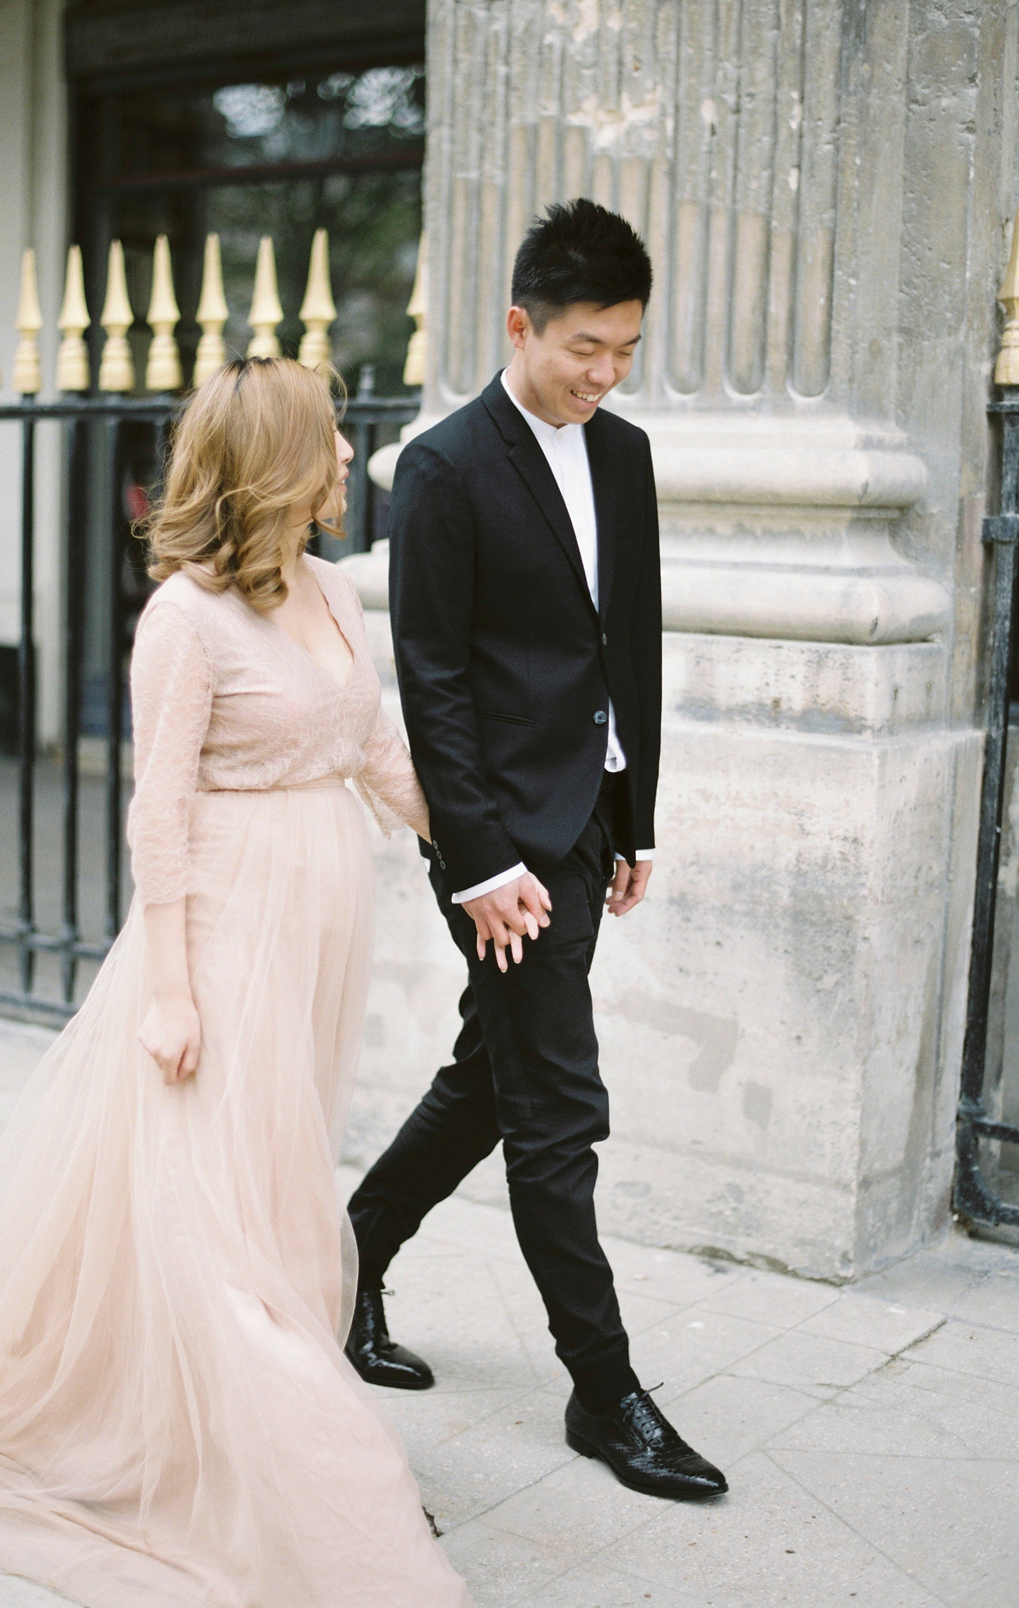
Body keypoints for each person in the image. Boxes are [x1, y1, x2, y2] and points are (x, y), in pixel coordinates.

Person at [0, 358, 471, 1608]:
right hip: (222, 937)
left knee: (276, 1192)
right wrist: (170, 990)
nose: (349, 459)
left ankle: (236, 1424)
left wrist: (484, 856)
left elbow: (376, 749)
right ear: (276, 460)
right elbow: (156, 815)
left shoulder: (333, 590)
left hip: (314, 939)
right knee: (212, 1210)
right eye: (331, 439)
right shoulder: (186, 619)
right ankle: (319, 1484)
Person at [344, 199, 727, 1502]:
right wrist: (480, 858)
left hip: (584, 821)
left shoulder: (623, 454)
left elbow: (631, 648)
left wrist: (638, 819)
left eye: (625, 349)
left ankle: (347, 1257)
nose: (605, 372)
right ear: (519, 324)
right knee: (557, 1105)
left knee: (499, 1074)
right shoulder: (445, 467)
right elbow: (432, 678)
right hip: (494, 843)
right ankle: (605, 1391)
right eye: (585, 347)